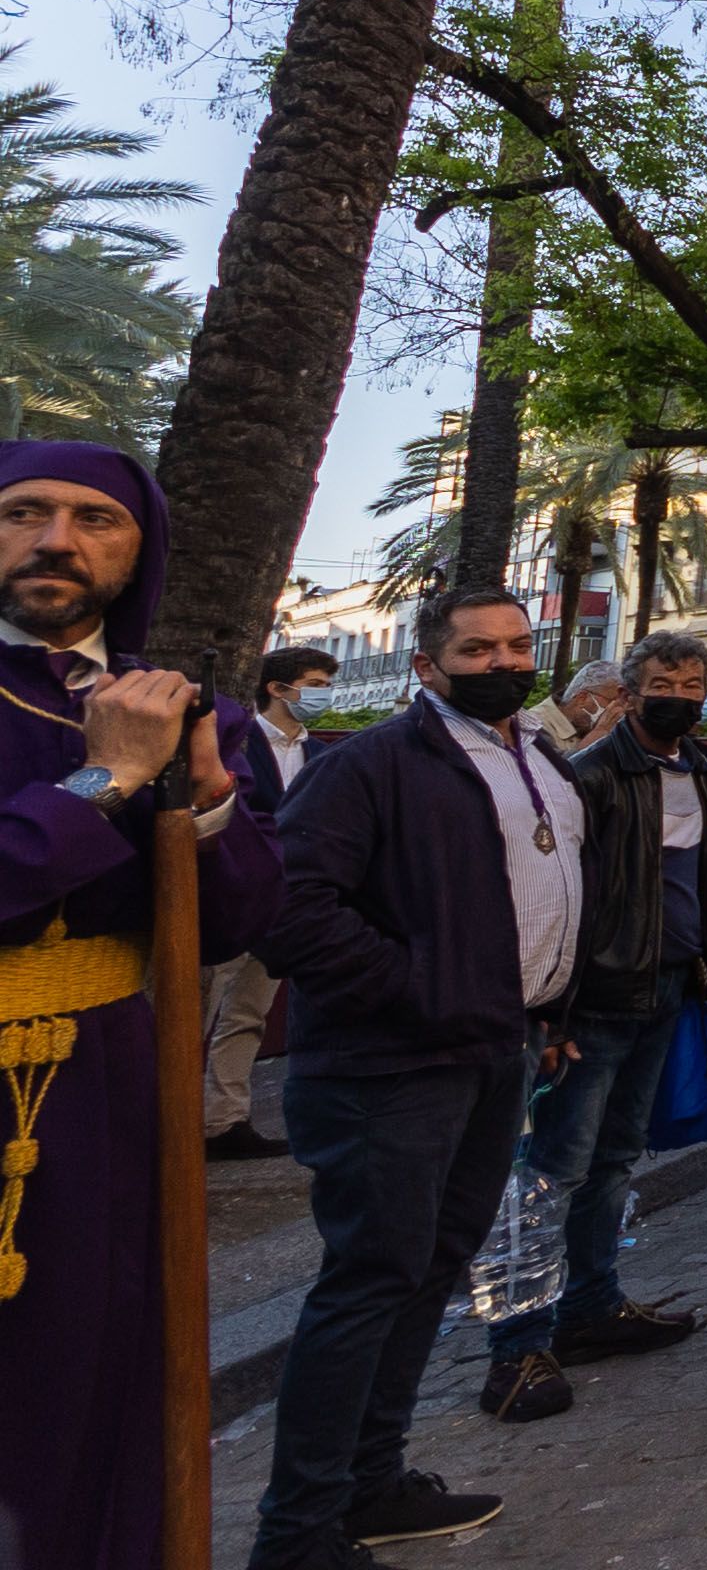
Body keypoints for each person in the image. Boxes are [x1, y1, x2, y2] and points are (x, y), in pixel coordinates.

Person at [250, 584, 581, 1568]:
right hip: (388, 1067)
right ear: (426, 666)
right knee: (367, 1282)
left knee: (430, 1271)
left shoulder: (540, 756)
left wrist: (549, 1004)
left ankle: (374, 1482)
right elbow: (290, 907)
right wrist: (421, 988)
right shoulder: (369, 766)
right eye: (477, 650)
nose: (505, 662)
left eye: (518, 645)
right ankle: (298, 1531)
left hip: (493, 1052)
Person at [0, 442, 281, 1570]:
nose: (57, 538)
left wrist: (204, 794)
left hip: (107, 1088)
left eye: (94, 519)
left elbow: (239, 917)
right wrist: (104, 778)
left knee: (99, 1374)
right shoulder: (122, 733)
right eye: (24, 511)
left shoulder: (181, 707)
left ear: (139, 548)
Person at [478, 629, 707, 1423]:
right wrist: (554, 1011)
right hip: (596, 1005)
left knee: (616, 1161)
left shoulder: (699, 770)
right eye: (664, 681)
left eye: (693, 683)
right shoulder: (589, 776)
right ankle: (520, 1341)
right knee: (551, 1170)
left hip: (666, 994)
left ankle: (593, 1306)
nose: (679, 695)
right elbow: (556, 896)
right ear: (627, 689)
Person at [208, 642, 334, 1160]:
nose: (324, 695)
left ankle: (223, 1120)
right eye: (316, 685)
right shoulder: (232, 743)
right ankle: (157, 1121)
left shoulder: (321, 754)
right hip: (230, 899)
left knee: (249, 1014)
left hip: (285, 905)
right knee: (195, 1011)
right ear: (277, 688)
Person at [524, 657, 627, 761]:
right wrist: (600, 732)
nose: (619, 711)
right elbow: (556, 771)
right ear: (582, 698)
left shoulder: (586, 726)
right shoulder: (534, 724)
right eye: (613, 702)